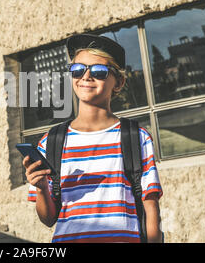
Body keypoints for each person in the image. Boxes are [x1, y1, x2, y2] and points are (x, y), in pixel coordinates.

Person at [23, 34, 163, 243]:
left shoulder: (136, 138)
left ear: (119, 82)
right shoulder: (50, 142)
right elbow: (48, 218)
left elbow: (151, 209)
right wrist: (42, 187)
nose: (86, 76)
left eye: (98, 71)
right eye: (78, 70)